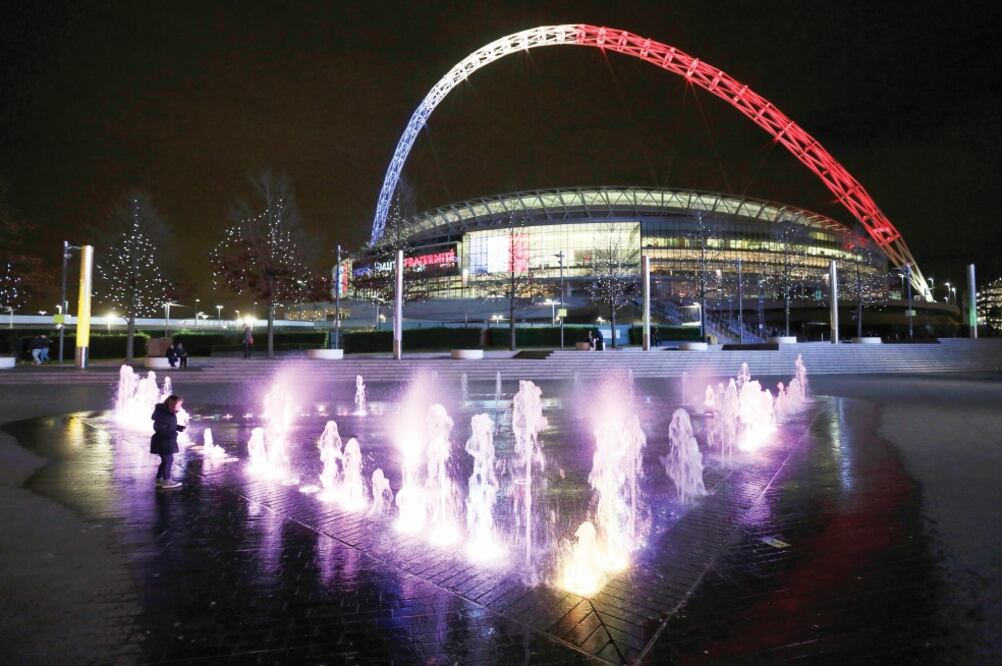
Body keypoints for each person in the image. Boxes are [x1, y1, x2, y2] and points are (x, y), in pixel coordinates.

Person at [150, 394, 185, 489]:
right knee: (169, 460)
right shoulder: (165, 414)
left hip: (163, 440)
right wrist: (173, 434)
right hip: (164, 441)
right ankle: (167, 481)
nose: (180, 406)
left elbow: (166, 425)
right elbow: (158, 427)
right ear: (173, 403)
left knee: (165, 460)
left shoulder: (166, 412)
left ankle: (159, 479)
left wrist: (178, 427)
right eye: (179, 404)